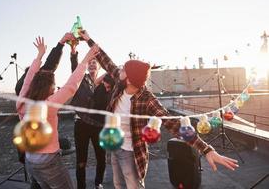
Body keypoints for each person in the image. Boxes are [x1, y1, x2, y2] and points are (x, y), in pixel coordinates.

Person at [79, 30, 239, 189]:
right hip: (114, 145)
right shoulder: (120, 84)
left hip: (131, 152)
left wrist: (206, 150)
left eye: (123, 70)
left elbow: (174, 125)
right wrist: (87, 38)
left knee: (133, 186)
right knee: (118, 184)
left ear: (129, 79)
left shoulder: (147, 99)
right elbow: (105, 59)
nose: (118, 70)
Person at [16, 35, 100, 189]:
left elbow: (28, 81)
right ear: (49, 88)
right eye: (54, 87)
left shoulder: (22, 102)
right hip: (49, 160)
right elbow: (71, 85)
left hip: (30, 159)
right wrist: (86, 58)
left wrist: (39, 56)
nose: (55, 89)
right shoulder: (48, 105)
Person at [15, 33, 75, 189]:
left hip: (31, 155)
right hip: (44, 155)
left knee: (40, 180)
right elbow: (70, 86)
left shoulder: (26, 94)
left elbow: (49, 64)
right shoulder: (44, 100)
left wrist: (47, 50)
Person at [69, 41, 110, 189]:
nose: (92, 64)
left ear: (99, 66)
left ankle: (98, 183)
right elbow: (75, 68)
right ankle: (81, 186)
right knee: (81, 159)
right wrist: (74, 51)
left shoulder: (105, 84)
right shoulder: (82, 79)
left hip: (98, 126)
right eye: (90, 62)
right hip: (81, 125)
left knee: (101, 157)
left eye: (95, 62)